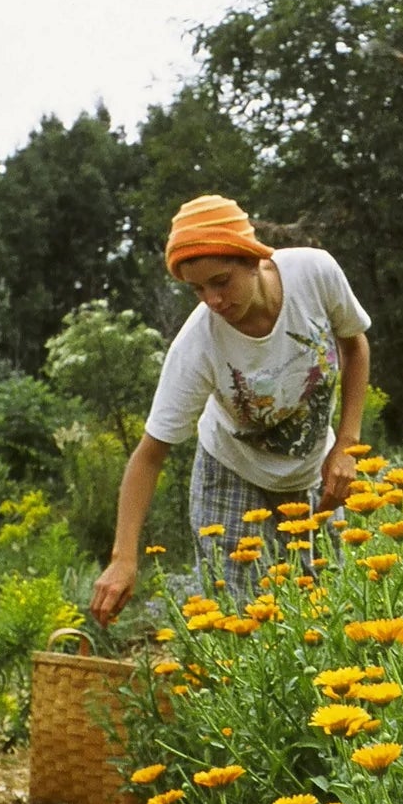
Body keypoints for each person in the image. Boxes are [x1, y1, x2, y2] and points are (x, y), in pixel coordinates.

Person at [90, 195, 371, 625]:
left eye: (221, 281)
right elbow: (149, 455)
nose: (213, 301)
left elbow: (354, 345)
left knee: (335, 615)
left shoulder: (314, 274)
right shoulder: (198, 344)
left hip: (314, 470)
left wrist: (347, 445)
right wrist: (123, 559)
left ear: (253, 259)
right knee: (246, 626)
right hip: (232, 476)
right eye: (197, 289)